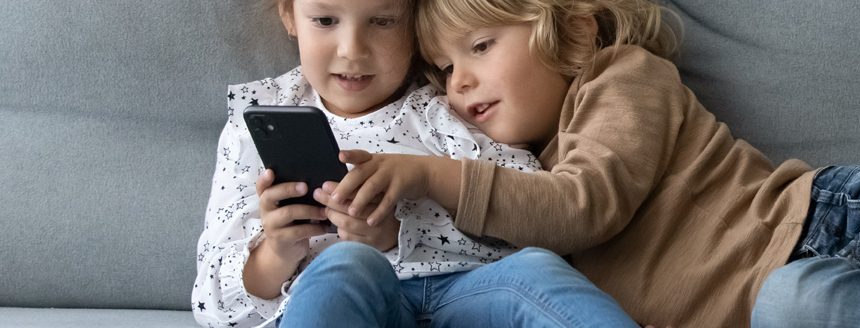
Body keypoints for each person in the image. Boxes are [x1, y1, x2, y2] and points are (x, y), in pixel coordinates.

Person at [328, 0, 860, 327]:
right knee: (800, 305)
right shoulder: (507, 180)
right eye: (444, 70)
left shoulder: (621, 78)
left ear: (575, 29)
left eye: (479, 47)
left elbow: (585, 204)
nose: (459, 84)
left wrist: (432, 176)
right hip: (777, 306)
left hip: (825, 217)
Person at [192, 0, 638, 327]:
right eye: (325, 20)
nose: (352, 50)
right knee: (346, 264)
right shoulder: (256, 122)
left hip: (462, 296)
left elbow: (534, 218)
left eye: (383, 21)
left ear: (413, 25)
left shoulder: (449, 106)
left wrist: (399, 234)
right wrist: (275, 254)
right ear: (290, 16)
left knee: (534, 270)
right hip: (351, 303)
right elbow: (211, 306)